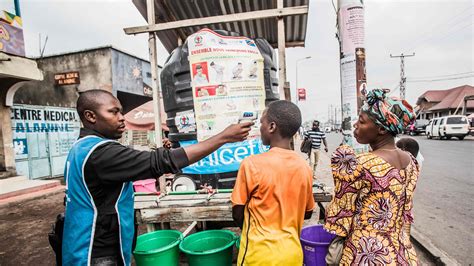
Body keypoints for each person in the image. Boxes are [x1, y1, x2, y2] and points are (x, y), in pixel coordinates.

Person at [62, 89, 253, 265]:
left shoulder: (81, 148)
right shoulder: (100, 153)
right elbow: (161, 161)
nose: (122, 119)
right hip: (94, 253)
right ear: (90, 116)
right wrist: (224, 137)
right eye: (113, 112)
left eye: (121, 112)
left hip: (82, 244)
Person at [325, 89, 418, 265]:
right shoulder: (412, 162)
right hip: (401, 253)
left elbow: (340, 217)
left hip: (365, 254)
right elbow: (406, 211)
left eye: (361, 121)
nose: (355, 125)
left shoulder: (358, 164)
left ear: (382, 129)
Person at [231, 100, 315, 265]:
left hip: (259, 255)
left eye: (262, 122)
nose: (260, 127)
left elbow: (237, 212)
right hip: (293, 254)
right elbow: (308, 212)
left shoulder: (251, 164)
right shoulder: (305, 167)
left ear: (271, 127)